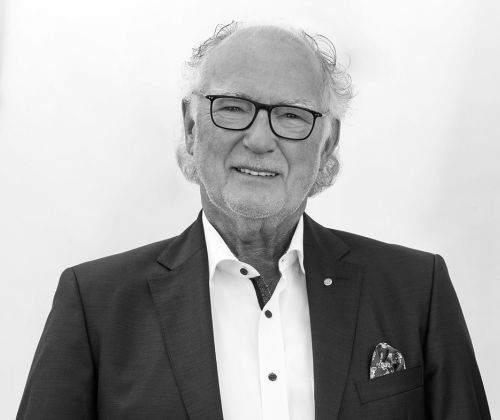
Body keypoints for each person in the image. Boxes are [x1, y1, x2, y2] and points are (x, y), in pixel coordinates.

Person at [17, 22, 491, 420]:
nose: (260, 140)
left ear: (327, 143)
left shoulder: (416, 291)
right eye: (233, 107)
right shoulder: (96, 305)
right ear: (191, 127)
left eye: (291, 115)